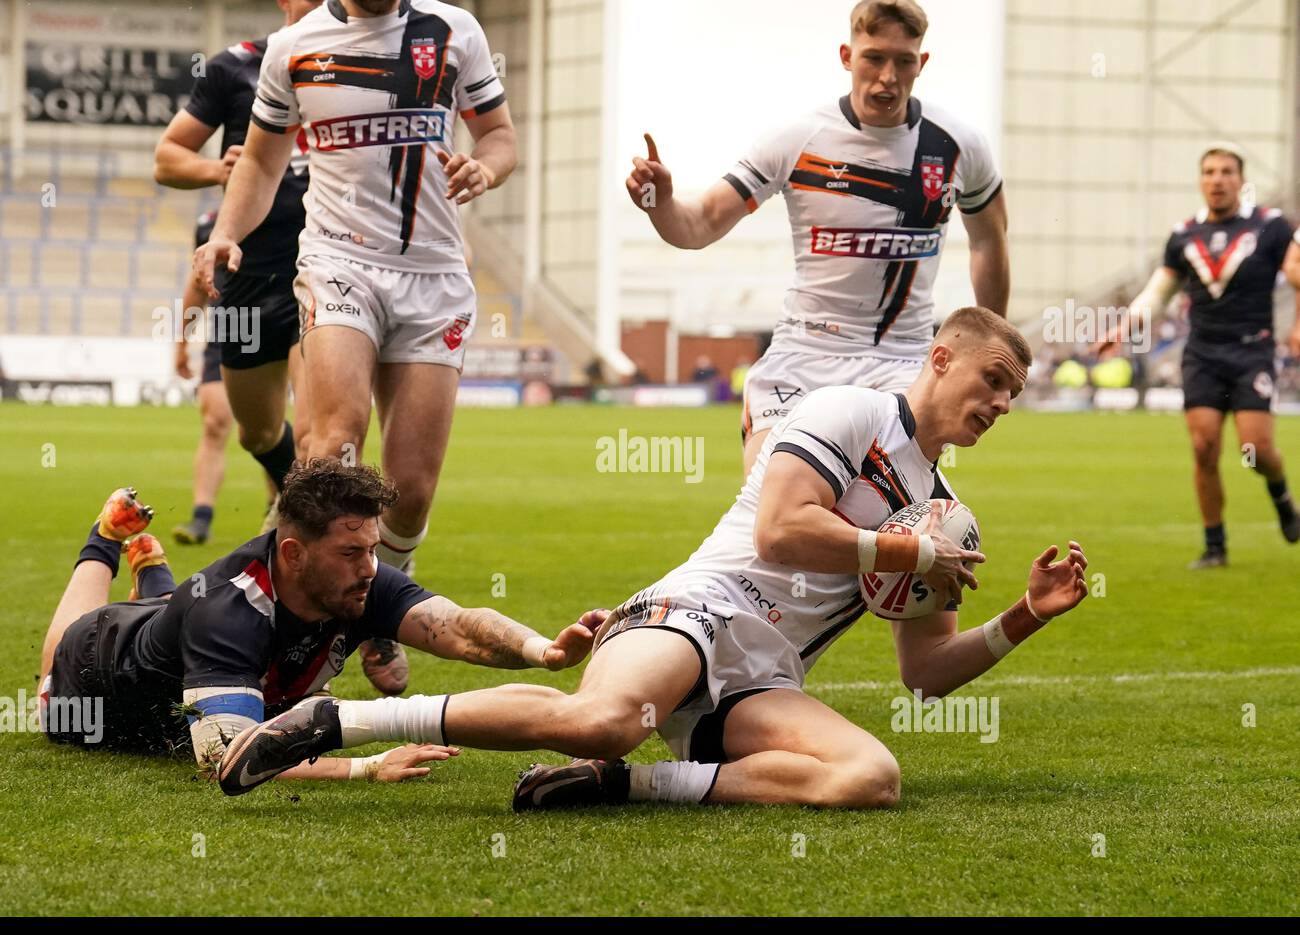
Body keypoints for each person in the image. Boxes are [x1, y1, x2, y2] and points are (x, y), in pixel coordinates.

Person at [217, 307, 1089, 811]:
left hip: (764, 676)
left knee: (870, 777)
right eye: (995, 378)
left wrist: (1020, 617)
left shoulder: (945, 514)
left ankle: (622, 788)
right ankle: (338, 723)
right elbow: (782, 531)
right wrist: (905, 547)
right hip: (699, 608)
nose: (1004, 401)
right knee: (604, 715)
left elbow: (927, 673)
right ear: (941, 358)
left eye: (1014, 390)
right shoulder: (847, 412)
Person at [193, 0, 518, 686]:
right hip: (339, 266)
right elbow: (259, 162)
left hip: (434, 278)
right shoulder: (295, 48)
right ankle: (294, 624)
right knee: (333, 442)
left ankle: (380, 605)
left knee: (411, 490)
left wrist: (486, 169)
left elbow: (501, 137)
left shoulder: (455, 31)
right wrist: (225, 232)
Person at [37, 460, 605, 787]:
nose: (369, 569)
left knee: (172, 614)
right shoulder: (229, 615)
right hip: (99, 668)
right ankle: (109, 536)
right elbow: (224, 757)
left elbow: (454, 626)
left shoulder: (361, 579)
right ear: (293, 553)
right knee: (61, 669)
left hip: (182, 632)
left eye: (374, 549)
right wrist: (365, 766)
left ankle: (156, 574)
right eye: (350, 553)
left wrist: (542, 652)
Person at [624, 0, 1009, 475]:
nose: (888, 76)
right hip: (803, 359)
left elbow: (988, 242)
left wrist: (995, 349)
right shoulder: (798, 139)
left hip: (903, 365)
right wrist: (658, 202)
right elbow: (699, 224)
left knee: (885, 526)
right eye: (874, 58)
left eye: (903, 61)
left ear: (921, 63)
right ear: (847, 56)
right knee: (770, 512)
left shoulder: (958, 145)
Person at [154, 0, 319, 521]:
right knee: (259, 432)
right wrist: (215, 171)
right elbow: (166, 158)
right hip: (244, 275)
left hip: (320, 269)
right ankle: (297, 497)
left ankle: (318, 532)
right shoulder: (235, 66)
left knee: (322, 433)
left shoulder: (357, 66)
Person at [1102, 143, 1300, 567]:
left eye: (1227, 171)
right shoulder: (1184, 235)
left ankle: (1281, 493)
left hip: (1253, 353)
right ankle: (1215, 546)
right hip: (1203, 355)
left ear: (1242, 182)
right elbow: (1159, 291)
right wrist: (1125, 326)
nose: (1217, 179)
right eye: (1209, 171)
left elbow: (1296, 274)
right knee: (1204, 446)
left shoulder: (1271, 227)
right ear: (1200, 180)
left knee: (1257, 450)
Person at [173, 212, 277, 545]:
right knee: (215, 421)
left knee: (269, 429)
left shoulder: (289, 208)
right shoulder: (207, 225)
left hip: (280, 327)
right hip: (229, 329)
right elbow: (197, 284)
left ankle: (277, 511)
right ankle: (201, 517)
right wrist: (182, 341)